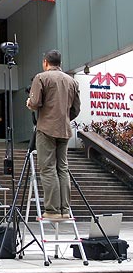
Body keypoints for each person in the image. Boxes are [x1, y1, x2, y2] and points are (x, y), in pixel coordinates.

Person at [26, 49, 81, 219]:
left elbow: (35, 103)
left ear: (45, 62)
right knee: (62, 168)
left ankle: (52, 210)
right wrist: (64, 118)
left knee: (48, 168)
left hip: (46, 128)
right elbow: (76, 109)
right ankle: (65, 209)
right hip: (64, 129)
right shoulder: (72, 81)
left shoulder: (41, 77)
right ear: (60, 63)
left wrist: (29, 102)